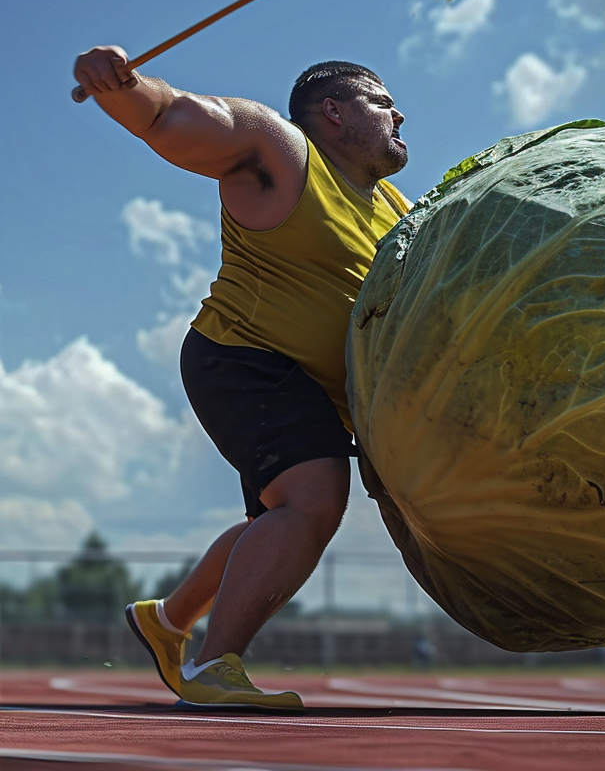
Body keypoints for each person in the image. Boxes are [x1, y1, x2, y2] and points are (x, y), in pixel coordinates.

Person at [73, 45, 410, 707]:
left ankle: (167, 621)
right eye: (382, 101)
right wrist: (122, 87)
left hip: (312, 388)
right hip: (243, 355)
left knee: (280, 517)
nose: (400, 113)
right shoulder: (282, 152)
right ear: (334, 112)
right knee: (313, 499)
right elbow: (172, 116)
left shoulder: (396, 209)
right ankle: (212, 666)